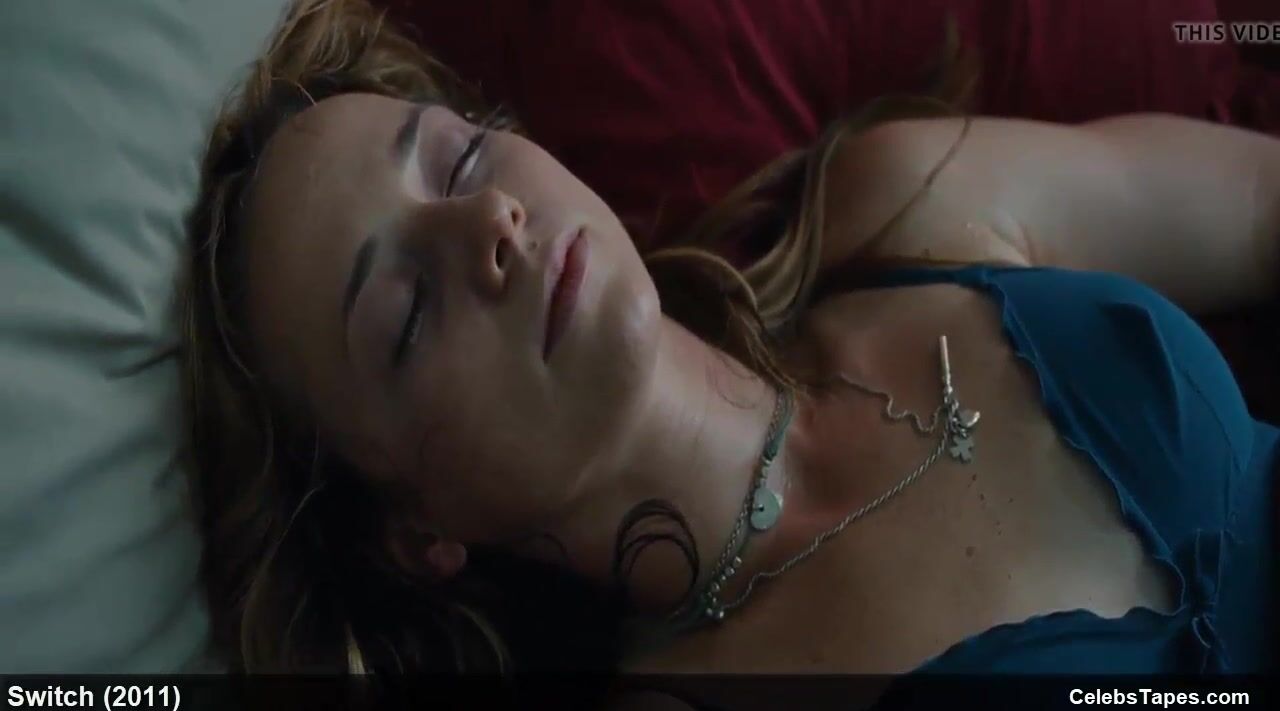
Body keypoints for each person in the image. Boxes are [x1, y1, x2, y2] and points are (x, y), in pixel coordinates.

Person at [183, 0, 1279, 698]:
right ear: (415, 534)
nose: (488, 226)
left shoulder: (913, 212)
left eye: (460, 161)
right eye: (407, 312)